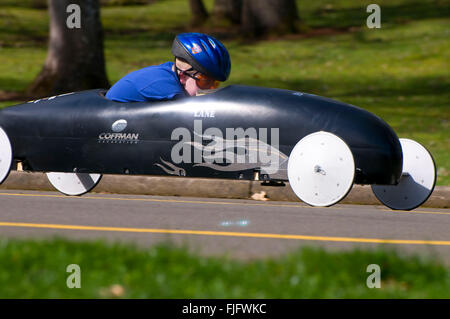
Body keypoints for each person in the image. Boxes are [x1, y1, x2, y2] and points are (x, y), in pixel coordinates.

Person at [106, 33, 231, 102]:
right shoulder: (163, 86)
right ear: (183, 76)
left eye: (215, 83)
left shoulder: (171, 72)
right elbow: (193, 120)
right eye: (205, 81)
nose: (210, 89)